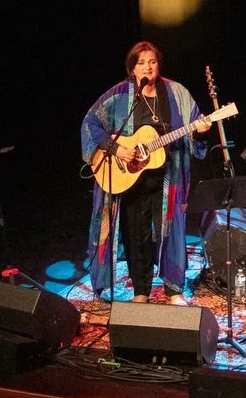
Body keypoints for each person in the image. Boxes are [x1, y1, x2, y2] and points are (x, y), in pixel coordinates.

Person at [81, 41, 211, 305]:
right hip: (130, 179)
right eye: (141, 63)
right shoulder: (119, 95)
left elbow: (194, 120)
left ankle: (174, 290)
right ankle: (141, 291)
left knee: (171, 232)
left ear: (158, 64)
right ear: (132, 68)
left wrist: (200, 129)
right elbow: (90, 122)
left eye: (151, 62)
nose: (147, 67)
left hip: (167, 177)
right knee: (135, 234)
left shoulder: (177, 92)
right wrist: (116, 149)